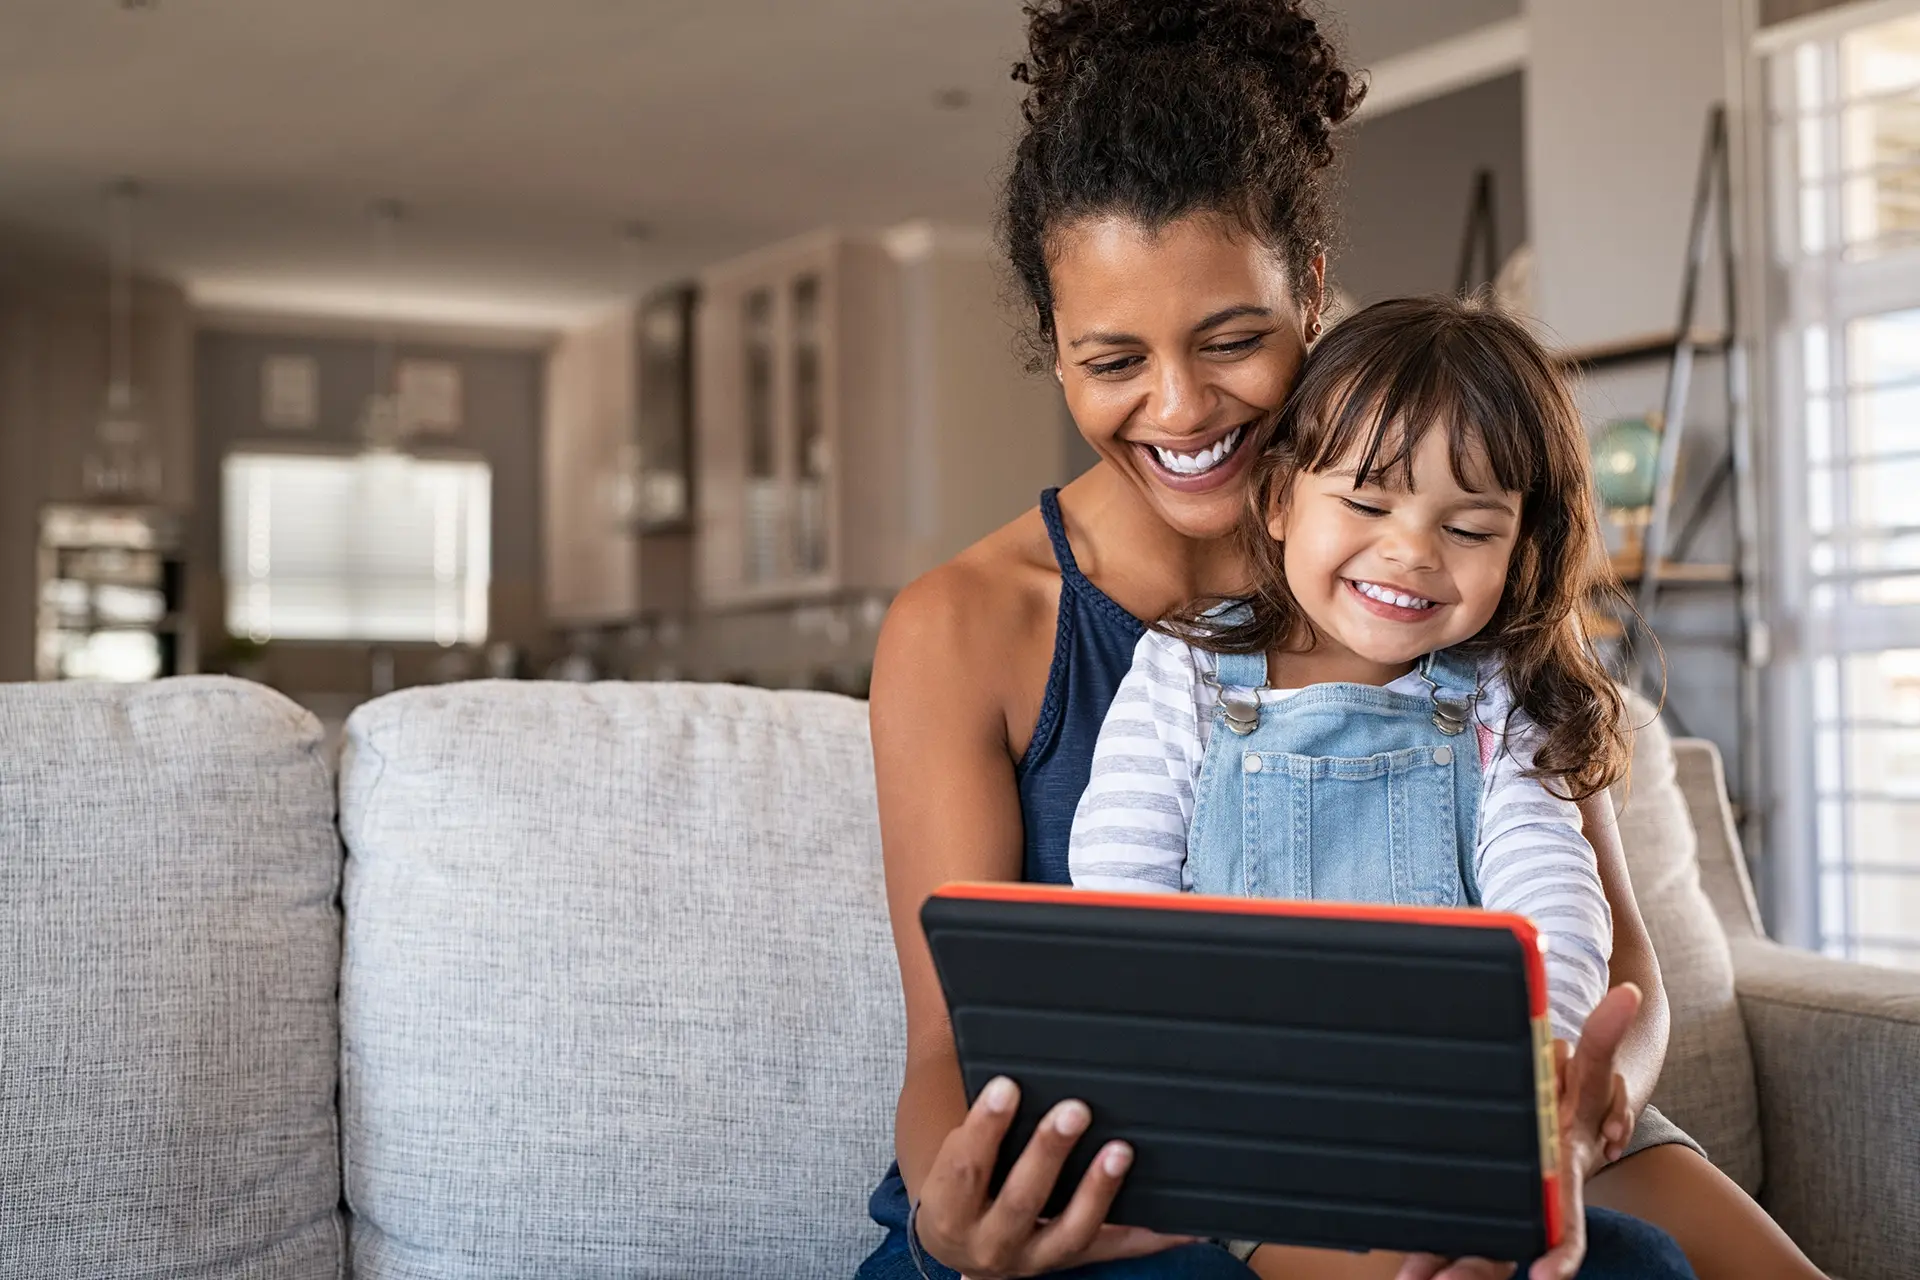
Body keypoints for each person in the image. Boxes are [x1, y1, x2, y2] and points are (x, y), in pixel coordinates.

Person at [860, 2, 1818, 1278]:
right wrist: (954, 1210)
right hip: (1171, 1150)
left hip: (1497, 1107)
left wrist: (1576, 1113)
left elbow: (1613, 951)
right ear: (1054, 349)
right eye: (1112, 359)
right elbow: (946, 1053)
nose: (1183, 405)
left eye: (1234, 338)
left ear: (1309, 288)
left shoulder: (1430, 574)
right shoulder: (967, 625)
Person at [1063, 293, 1667, 1274]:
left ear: (1518, 551)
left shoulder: (1498, 697)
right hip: (1268, 1125)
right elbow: (1120, 896)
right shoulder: (1185, 669)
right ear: (1277, 497)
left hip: (1483, 1105)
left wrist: (1539, 1074)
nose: (1413, 551)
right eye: (1368, 502)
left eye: (1469, 527)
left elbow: (1554, 899)